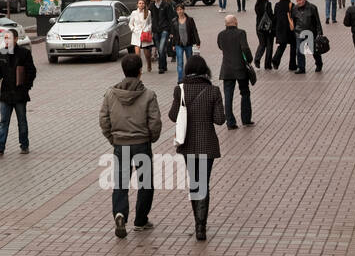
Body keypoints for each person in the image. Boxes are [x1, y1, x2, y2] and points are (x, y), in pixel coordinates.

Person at [99, 53, 162, 237]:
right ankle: (141, 220)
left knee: (120, 182)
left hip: (120, 144)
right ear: (140, 72)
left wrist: (112, 138)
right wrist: (151, 138)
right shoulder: (148, 94)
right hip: (142, 143)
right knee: (145, 184)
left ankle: (120, 213)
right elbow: (155, 122)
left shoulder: (111, 93)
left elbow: (103, 119)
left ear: (123, 71)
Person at [168, 55, 226, 241]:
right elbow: (219, 119)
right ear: (205, 71)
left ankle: (198, 222)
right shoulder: (213, 91)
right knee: (203, 183)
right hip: (207, 144)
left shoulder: (180, 90)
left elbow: (172, 115)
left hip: (188, 145)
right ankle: (201, 225)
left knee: (195, 182)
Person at [0, 29, 36, 156]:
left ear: (15, 39)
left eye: (9, 38)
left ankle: (24, 145)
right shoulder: (2, 52)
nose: (6, 40)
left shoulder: (24, 53)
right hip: (5, 93)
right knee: (3, 121)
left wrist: (26, 86)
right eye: (5, 38)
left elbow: (32, 71)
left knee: (22, 121)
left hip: (20, 94)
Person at [216, 14, 254, 128]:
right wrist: (249, 59)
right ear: (235, 22)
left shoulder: (221, 34)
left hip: (227, 69)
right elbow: (245, 48)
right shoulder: (241, 33)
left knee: (228, 96)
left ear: (225, 23)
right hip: (240, 68)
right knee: (245, 92)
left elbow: (220, 46)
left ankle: (230, 122)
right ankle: (246, 119)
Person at [292, 0, 324, 73]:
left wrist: (319, 32)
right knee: (299, 51)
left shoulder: (312, 7)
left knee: (313, 50)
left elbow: (317, 21)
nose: (298, 2)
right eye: (297, 1)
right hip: (299, 32)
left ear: (304, 0)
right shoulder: (295, 8)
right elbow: (294, 20)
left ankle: (319, 64)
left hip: (310, 32)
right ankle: (301, 68)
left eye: (299, 1)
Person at [170, 6, 201, 83]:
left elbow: (194, 31)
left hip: (188, 44)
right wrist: (173, 44)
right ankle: (180, 80)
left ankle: (190, 78)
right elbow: (173, 34)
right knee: (180, 63)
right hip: (178, 44)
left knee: (190, 61)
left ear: (183, 10)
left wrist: (197, 42)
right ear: (176, 11)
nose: (180, 11)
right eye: (178, 10)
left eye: (181, 9)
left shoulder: (190, 20)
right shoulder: (174, 21)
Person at [150, 0, 176, 75]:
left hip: (165, 29)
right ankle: (164, 65)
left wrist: (172, 31)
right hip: (155, 30)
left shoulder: (166, 5)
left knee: (161, 49)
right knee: (160, 50)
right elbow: (150, 18)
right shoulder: (151, 5)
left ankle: (160, 67)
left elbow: (170, 19)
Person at [270, 0, 296, 71]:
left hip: (280, 28)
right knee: (293, 46)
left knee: (282, 45)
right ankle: (292, 65)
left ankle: (275, 60)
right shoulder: (292, 5)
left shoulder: (277, 5)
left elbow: (275, 17)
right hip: (289, 28)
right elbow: (294, 17)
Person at [128, 0, 155, 73]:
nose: (141, 4)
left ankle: (149, 65)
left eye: (142, 3)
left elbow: (150, 23)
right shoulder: (134, 13)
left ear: (144, 4)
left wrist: (148, 29)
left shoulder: (148, 12)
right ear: (137, 4)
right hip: (136, 35)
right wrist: (133, 29)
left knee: (147, 54)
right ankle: (139, 69)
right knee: (137, 55)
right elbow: (130, 24)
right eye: (140, 3)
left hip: (145, 34)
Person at [253, 0, 275, 70]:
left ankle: (257, 59)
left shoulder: (257, 4)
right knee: (269, 45)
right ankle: (267, 64)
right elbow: (270, 15)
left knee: (262, 44)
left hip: (259, 27)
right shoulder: (268, 4)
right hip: (267, 27)